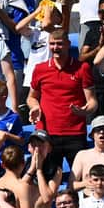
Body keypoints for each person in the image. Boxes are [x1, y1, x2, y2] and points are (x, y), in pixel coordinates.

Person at [27, 28, 97, 170]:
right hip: (47, 134)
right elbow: (31, 97)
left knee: (81, 178)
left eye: (59, 44)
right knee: (47, 178)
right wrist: (35, 107)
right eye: (52, 44)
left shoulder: (82, 68)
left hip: (75, 133)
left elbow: (92, 101)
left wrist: (85, 111)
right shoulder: (40, 69)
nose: (55, 48)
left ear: (68, 44)